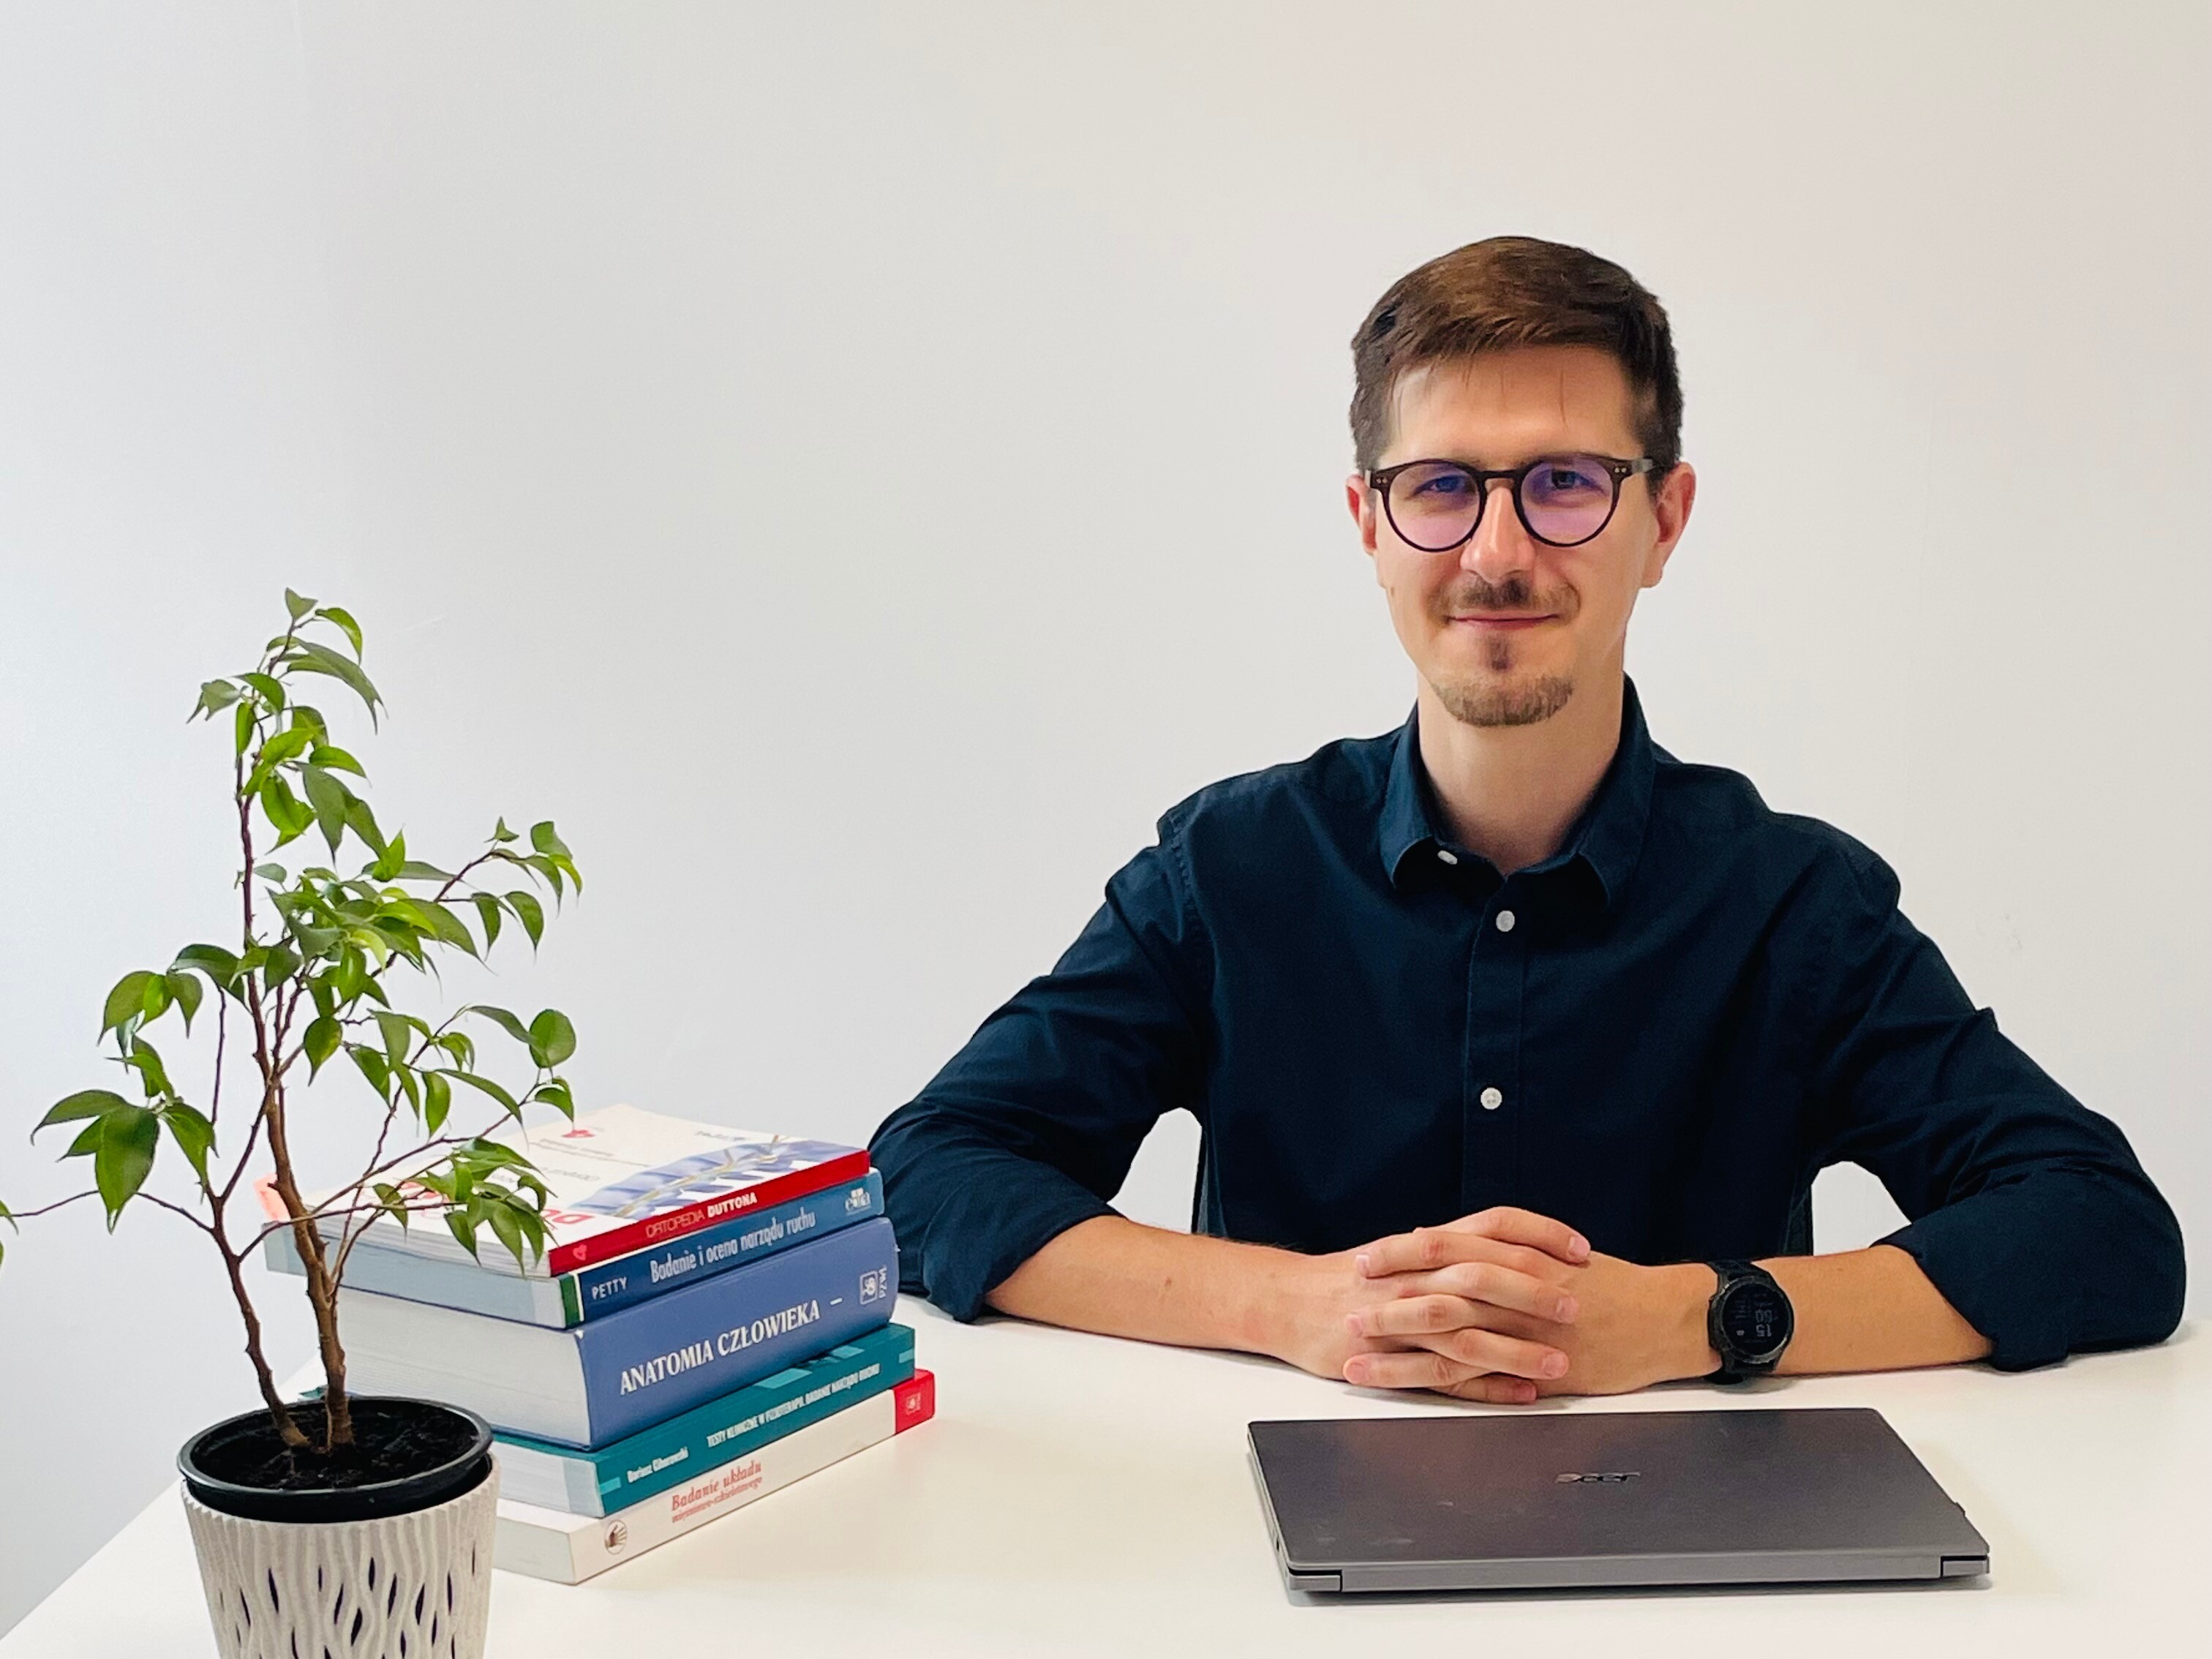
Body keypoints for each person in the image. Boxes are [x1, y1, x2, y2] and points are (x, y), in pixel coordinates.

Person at [868, 236, 2185, 1402]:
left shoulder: (1793, 905)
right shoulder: (1229, 870)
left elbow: (2101, 1228)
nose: (1497, 553)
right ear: (1370, 526)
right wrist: (1301, 1306)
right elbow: (928, 1173)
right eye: (1441, 486)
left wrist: (1695, 1319)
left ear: (1664, 521)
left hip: (1711, 1547)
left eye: (1564, 483)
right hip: (1271, 1544)